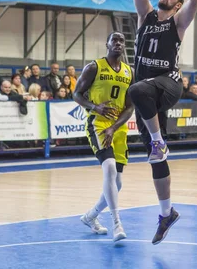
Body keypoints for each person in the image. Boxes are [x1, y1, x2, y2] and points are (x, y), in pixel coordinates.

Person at [129, 0, 197, 244]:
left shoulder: (178, 23)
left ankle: (158, 140)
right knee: (156, 160)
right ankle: (166, 213)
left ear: (178, 6)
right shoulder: (145, 17)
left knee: (137, 90)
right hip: (148, 92)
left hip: (169, 84)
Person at [74, 32, 134, 242]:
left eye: (121, 41)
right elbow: (76, 94)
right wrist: (95, 107)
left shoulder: (129, 72)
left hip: (117, 128)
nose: (118, 43)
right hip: (98, 123)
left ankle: (91, 216)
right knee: (108, 168)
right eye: (114, 40)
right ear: (106, 44)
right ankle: (117, 222)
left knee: (117, 184)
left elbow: (129, 107)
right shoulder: (94, 67)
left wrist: (115, 127)